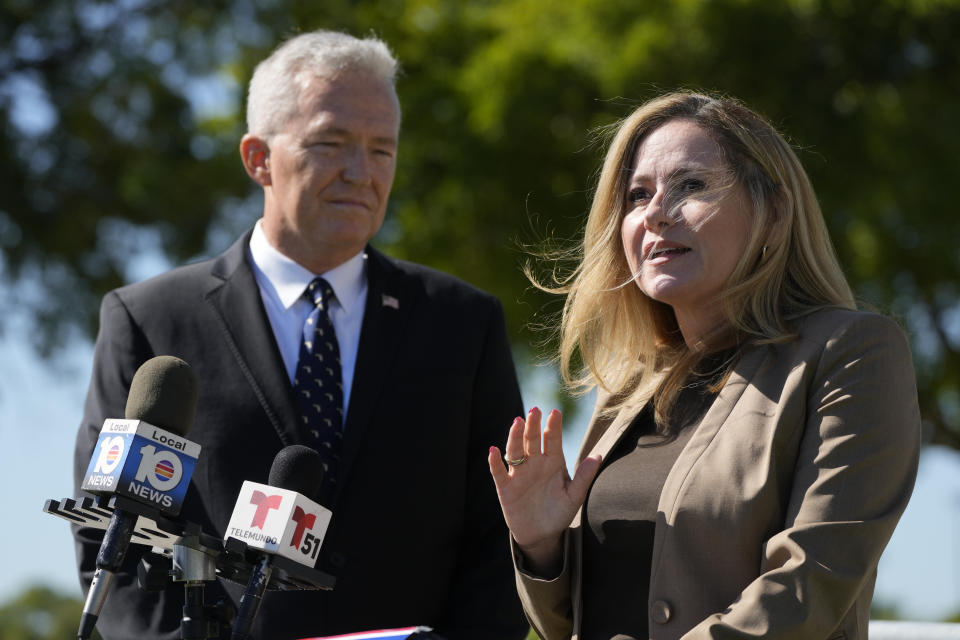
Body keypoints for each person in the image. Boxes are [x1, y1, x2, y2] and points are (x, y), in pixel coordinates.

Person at [73, 30, 529, 640]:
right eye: (330, 143)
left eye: (382, 150)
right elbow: (111, 533)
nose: (360, 172)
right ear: (258, 157)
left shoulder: (462, 323)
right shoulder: (151, 320)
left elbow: (498, 531)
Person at [488, 92, 921, 639]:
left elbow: (809, 586)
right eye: (638, 195)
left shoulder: (853, 351)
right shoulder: (628, 387)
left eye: (690, 185)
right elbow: (567, 624)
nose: (656, 212)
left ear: (773, 211)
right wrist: (542, 545)